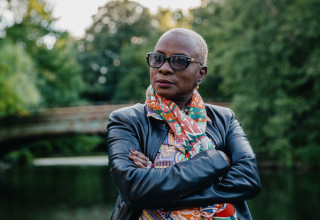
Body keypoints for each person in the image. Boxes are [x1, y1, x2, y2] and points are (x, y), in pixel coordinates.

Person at [107, 28, 261, 220]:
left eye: (179, 61)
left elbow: (248, 180)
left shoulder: (223, 119)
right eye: (158, 58)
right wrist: (217, 160)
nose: (164, 68)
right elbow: (134, 190)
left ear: (201, 74)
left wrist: (158, 187)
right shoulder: (127, 120)